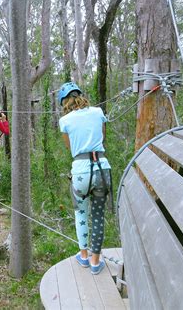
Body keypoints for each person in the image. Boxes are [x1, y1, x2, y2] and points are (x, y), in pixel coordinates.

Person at [58, 82, 111, 275]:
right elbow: (102, 137)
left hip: (80, 170)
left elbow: (70, 148)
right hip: (101, 168)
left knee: (81, 214)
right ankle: (96, 262)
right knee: (97, 215)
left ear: (64, 102)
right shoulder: (98, 112)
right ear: (81, 95)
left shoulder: (65, 121)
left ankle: (83, 256)